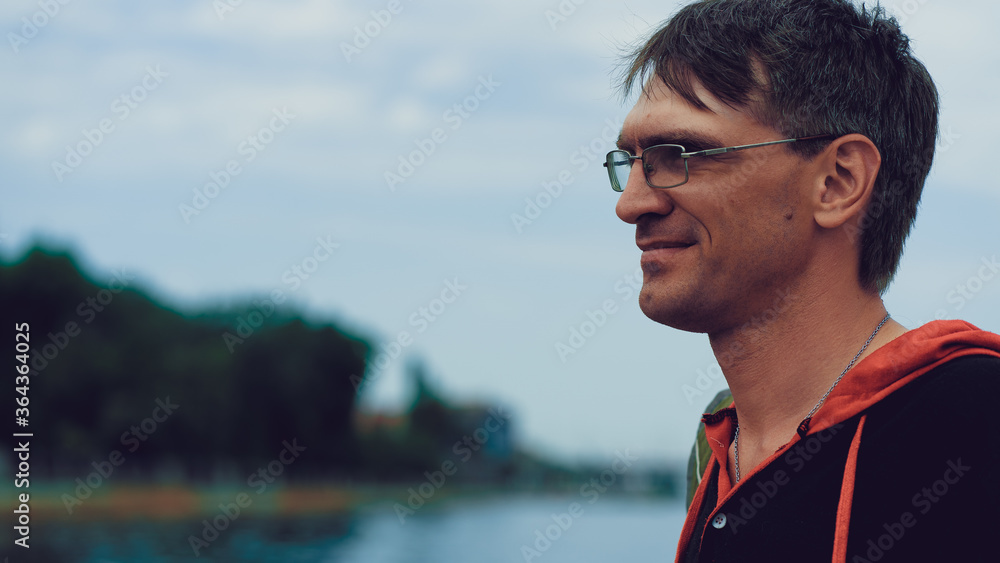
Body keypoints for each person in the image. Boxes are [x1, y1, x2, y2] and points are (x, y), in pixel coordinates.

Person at [605, 1, 1000, 561]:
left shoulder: (977, 421)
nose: (630, 204)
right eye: (631, 160)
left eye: (680, 153)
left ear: (837, 182)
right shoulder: (718, 453)